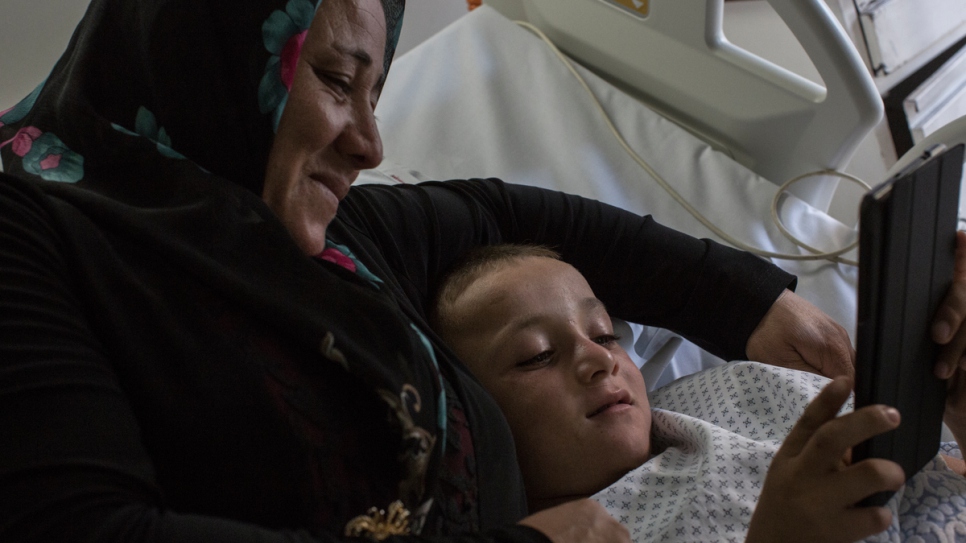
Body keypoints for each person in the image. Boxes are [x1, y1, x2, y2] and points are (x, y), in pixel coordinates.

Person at [1, 0, 966, 541]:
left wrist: (749, 296)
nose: (372, 143)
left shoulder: (314, 234)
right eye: (336, 81)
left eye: (377, 91)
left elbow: (513, 213)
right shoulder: (33, 237)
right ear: (200, 56)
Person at [430, 243, 966, 542]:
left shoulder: (733, 394)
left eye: (603, 334)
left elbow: (942, 476)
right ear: (472, 419)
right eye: (538, 355)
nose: (600, 359)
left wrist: (953, 406)